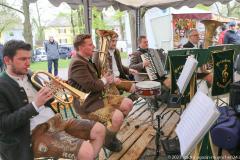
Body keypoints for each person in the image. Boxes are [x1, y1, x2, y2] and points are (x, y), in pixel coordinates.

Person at [0, 40, 105, 160]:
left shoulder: (30, 74)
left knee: (99, 130)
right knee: (86, 151)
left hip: (55, 121)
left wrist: (53, 89)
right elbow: (4, 124)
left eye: (29, 58)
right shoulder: (2, 85)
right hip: (34, 132)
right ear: (7, 60)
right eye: (23, 59)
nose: (28, 63)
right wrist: (35, 105)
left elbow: (48, 102)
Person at [68, 34, 133, 152]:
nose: (93, 46)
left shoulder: (86, 60)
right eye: (90, 44)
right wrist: (105, 80)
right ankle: (107, 140)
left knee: (128, 103)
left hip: (99, 97)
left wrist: (106, 78)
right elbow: (91, 86)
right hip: (88, 105)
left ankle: (109, 132)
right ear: (81, 48)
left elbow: (96, 81)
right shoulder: (77, 63)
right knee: (117, 117)